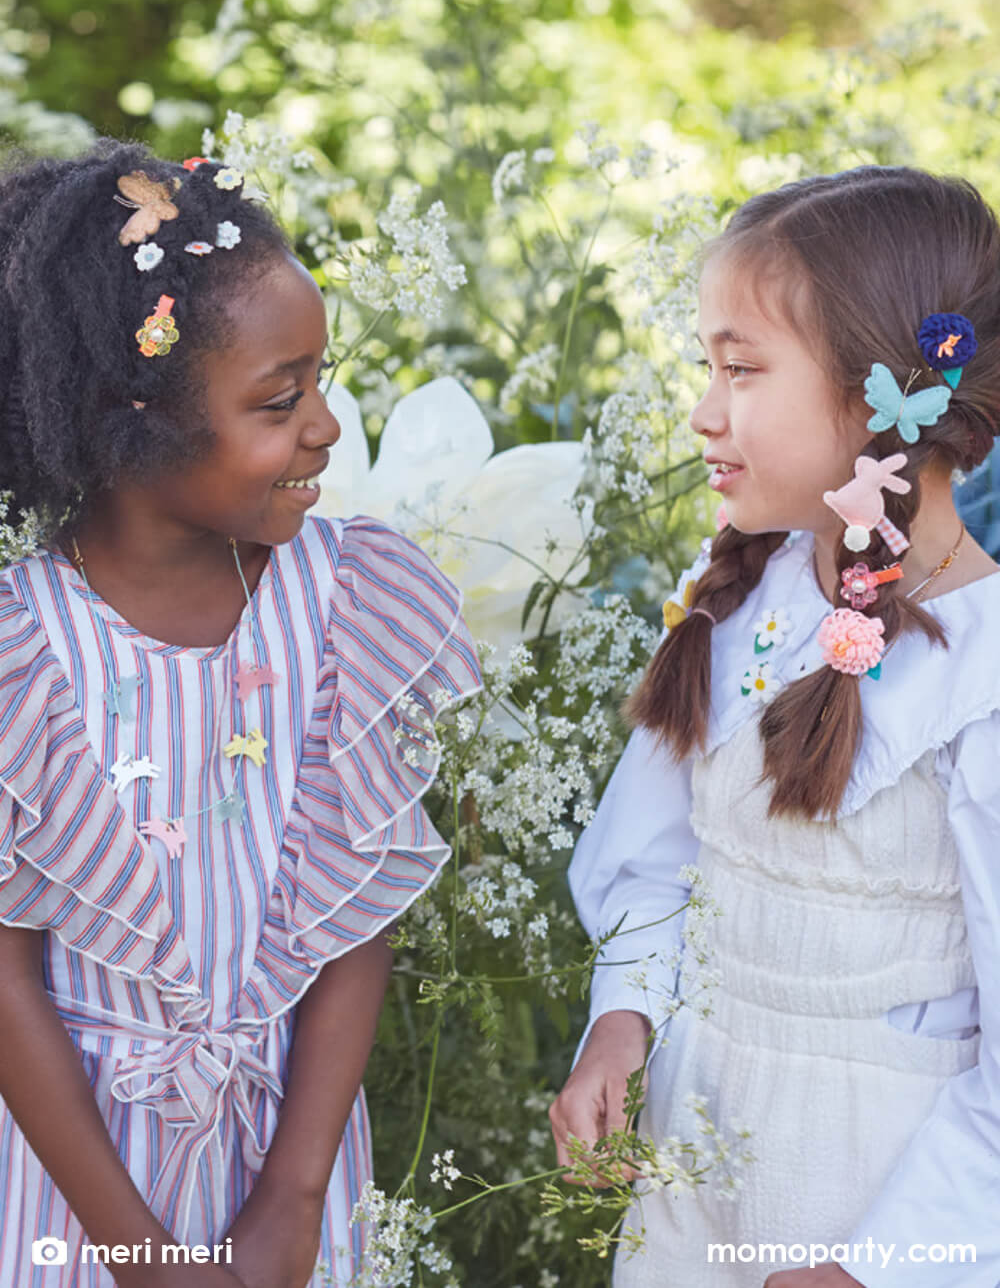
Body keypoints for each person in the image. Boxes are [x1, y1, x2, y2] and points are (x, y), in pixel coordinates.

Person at [0, 142, 482, 1288]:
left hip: (286, 1168)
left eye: (320, 381)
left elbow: (354, 910)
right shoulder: (21, 649)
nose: (323, 424)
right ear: (134, 420)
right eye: (280, 399)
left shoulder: (349, 601)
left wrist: (295, 1195)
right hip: (76, 1189)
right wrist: (142, 1256)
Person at [550, 166, 1000, 1288]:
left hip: (877, 1190)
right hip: (697, 1155)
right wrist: (623, 1020)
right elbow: (655, 862)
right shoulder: (743, 599)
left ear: (877, 392)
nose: (704, 410)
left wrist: (881, 1266)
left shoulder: (980, 683)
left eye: (741, 370)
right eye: (709, 367)